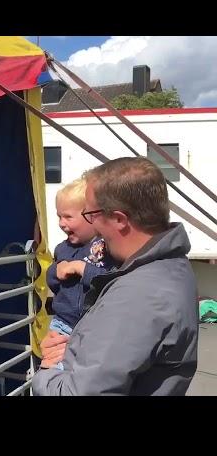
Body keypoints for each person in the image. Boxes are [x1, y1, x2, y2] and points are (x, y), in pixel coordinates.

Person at [32, 157, 198, 395]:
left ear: (119, 219)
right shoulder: (171, 267)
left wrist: (47, 371)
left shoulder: (138, 295)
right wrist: (77, 348)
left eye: (91, 214)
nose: (93, 226)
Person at [46, 179, 116, 369]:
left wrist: (81, 268)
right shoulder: (62, 249)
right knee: (54, 369)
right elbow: (52, 283)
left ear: (91, 217)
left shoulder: (105, 247)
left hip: (93, 327)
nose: (61, 223)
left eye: (68, 217)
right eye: (59, 216)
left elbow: (110, 279)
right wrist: (55, 270)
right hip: (62, 324)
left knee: (86, 373)